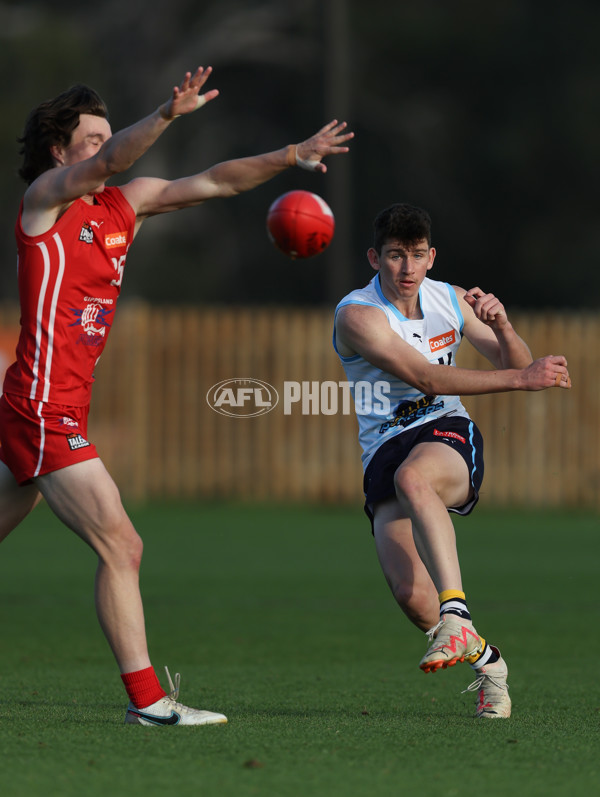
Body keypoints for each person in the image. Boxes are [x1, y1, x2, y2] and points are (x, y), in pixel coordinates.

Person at [0, 67, 353, 726]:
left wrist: (290, 156)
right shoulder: (46, 200)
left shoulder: (124, 207)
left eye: (110, 131)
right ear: (59, 150)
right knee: (121, 545)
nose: (106, 145)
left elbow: (217, 181)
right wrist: (164, 115)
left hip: (50, 405)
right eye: (92, 136)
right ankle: (148, 702)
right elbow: (112, 160)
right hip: (43, 406)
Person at [333, 203, 570, 719]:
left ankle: (456, 611)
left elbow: (515, 363)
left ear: (431, 256)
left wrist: (504, 327)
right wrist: (523, 379)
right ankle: (490, 664)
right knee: (412, 595)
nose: (407, 268)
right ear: (375, 258)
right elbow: (426, 378)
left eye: (417, 255)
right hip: (383, 451)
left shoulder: (451, 299)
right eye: (395, 256)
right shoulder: (357, 315)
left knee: (415, 477)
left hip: (446, 433)